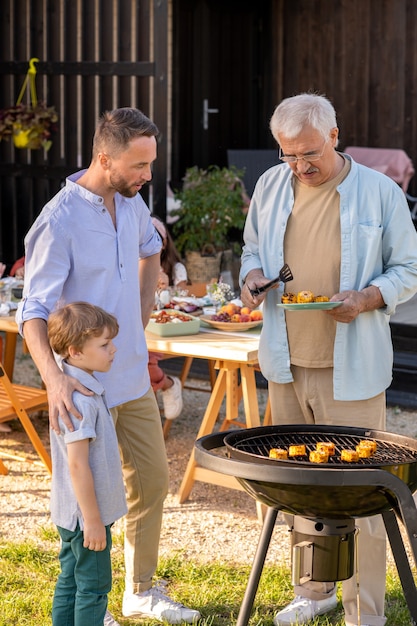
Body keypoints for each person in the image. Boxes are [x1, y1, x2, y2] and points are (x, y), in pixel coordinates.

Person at [16, 107, 201, 625]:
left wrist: (137, 325)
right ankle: (83, 603)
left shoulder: (134, 205)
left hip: (130, 375)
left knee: (152, 480)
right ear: (105, 157)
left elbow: (150, 254)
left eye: (151, 164)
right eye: (139, 165)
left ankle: (139, 591)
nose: (147, 176)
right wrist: (54, 381)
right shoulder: (60, 220)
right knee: (88, 500)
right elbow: (31, 312)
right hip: (80, 389)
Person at [240, 93, 417, 626]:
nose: (299, 166)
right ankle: (313, 593)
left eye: (308, 153)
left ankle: (366, 613)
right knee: (297, 486)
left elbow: (408, 268)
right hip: (286, 363)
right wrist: (251, 277)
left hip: (353, 368)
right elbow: (252, 249)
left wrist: (365, 298)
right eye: (288, 155)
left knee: (361, 495)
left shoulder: (379, 192)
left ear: (334, 136)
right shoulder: (271, 187)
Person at [47, 302, 127, 626]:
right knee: (93, 587)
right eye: (104, 345)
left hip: (70, 514)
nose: (113, 350)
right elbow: (78, 465)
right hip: (86, 517)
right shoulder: (80, 400)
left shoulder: (77, 389)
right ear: (75, 352)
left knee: (70, 579)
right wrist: (93, 522)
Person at [148, 216, 186, 421]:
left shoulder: (175, 269)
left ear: (163, 243)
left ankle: (169, 384)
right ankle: (168, 383)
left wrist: (163, 288)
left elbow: (182, 302)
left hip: (164, 327)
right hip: (143, 327)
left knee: (142, 366)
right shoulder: (136, 266)